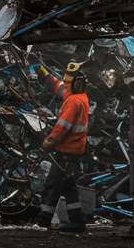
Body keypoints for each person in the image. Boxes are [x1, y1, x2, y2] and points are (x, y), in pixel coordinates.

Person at [32, 61, 91, 233]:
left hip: (66, 150)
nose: (64, 85)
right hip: (74, 151)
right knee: (68, 186)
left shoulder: (73, 102)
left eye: (67, 83)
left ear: (75, 83)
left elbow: (61, 128)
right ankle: (77, 221)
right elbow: (59, 86)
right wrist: (44, 73)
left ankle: (43, 221)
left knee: (52, 185)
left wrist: (47, 143)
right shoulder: (80, 97)